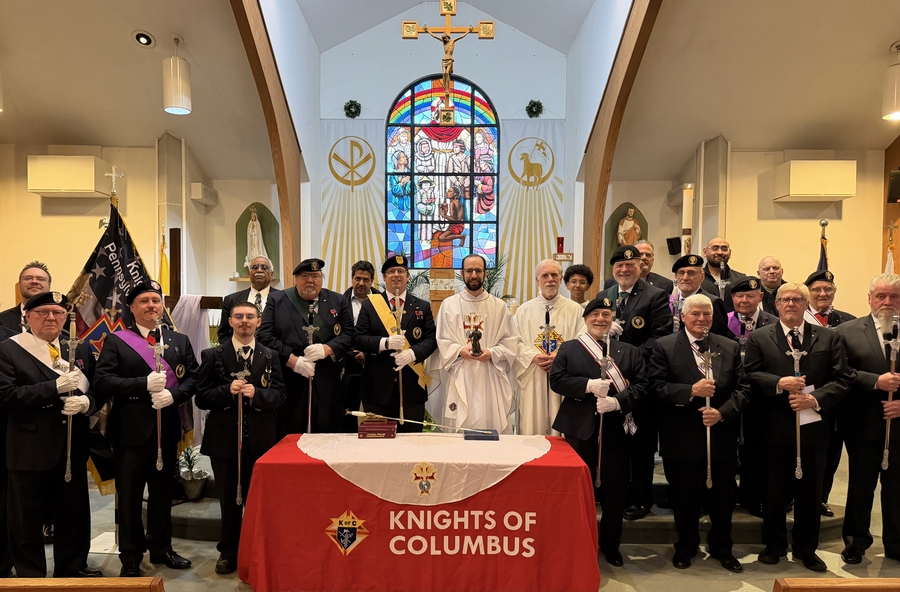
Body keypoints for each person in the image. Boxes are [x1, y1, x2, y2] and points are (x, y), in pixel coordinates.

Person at [93, 280, 199, 577]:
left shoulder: (179, 340)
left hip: (166, 431)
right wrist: (142, 384)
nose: (151, 305)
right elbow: (103, 381)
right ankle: (130, 555)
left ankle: (162, 548)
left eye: (156, 300)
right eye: (144, 301)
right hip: (130, 433)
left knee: (164, 495)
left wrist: (174, 395)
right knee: (129, 497)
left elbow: (192, 378)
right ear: (132, 307)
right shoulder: (116, 340)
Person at [744, 282, 851, 572]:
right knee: (773, 491)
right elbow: (750, 375)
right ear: (775, 304)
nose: (791, 304)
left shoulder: (828, 338)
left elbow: (843, 378)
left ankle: (806, 548)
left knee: (810, 492)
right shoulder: (759, 337)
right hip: (773, 427)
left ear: (806, 304)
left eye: (797, 299)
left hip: (814, 426)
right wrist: (778, 383)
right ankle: (775, 545)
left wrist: (814, 399)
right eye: (785, 299)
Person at [0, 291, 101, 578]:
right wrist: (52, 389)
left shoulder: (77, 349)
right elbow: (5, 396)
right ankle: (30, 573)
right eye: (43, 312)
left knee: (74, 512)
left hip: (71, 446)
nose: (51, 318)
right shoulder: (8, 350)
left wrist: (87, 403)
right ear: (27, 317)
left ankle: (72, 567)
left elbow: (95, 389)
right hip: (29, 447)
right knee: (26, 518)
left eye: (57, 313)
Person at [649, 294, 749, 573]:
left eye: (706, 314)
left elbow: (744, 390)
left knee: (723, 497)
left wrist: (722, 413)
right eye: (695, 314)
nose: (702, 319)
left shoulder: (728, 347)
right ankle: (687, 545)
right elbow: (655, 387)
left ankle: (722, 547)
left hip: (720, 436)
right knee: (684, 497)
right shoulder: (665, 347)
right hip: (681, 437)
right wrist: (690, 391)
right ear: (682, 316)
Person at [550, 296, 647, 567]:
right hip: (579, 429)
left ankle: (611, 545)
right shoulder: (570, 348)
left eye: (606, 314)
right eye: (595, 314)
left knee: (615, 492)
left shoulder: (629, 351)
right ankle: (577, 542)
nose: (601, 319)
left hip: (616, 429)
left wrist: (618, 402)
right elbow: (556, 380)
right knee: (579, 490)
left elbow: (643, 386)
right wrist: (588, 385)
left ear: (612, 319)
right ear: (586, 319)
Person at [196, 301, 285, 574]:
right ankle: (229, 552)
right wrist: (226, 391)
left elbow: (280, 395)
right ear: (230, 321)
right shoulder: (213, 355)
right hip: (224, 440)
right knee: (229, 499)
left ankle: (259, 550)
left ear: (258, 322)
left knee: (258, 500)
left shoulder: (270, 355)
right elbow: (201, 397)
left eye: (250, 317)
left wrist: (257, 394)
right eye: (239, 316)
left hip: (260, 439)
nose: (244, 321)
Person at [835, 273, 900, 565]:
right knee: (861, 486)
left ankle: (896, 544)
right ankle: (856, 542)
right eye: (881, 296)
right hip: (862, 423)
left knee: (897, 488)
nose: (887, 302)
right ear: (870, 298)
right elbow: (841, 373)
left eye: (894, 296)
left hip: (899, 423)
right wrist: (876, 381)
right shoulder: (847, 331)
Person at [603, 245, 671, 520]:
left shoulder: (655, 296)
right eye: (619, 265)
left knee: (640, 444)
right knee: (614, 444)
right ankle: (615, 495)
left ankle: (641, 499)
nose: (624, 269)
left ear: (641, 267)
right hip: (610, 381)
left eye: (630, 265)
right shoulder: (605, 294)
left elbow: (660, 337)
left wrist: (628, 361)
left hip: (639, 381)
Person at [259, 258, 353, 435]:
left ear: (321, 278)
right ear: (296, 279)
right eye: (304, 275)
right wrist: (292, 360)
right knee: (291, 440)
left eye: (315, 276)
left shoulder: (337, 300)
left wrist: (328, 348)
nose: (310, 280)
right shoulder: (277, 300)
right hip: (290, 383)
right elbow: (264, 336)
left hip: (328, 386)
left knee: (327, 440)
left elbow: (349, 333)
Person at [427, 254, 519, 433]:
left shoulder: (498, 307)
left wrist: (492, 353)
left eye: (478, 270)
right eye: (469, 271)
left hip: (489, 375)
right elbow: (441, 340)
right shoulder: (449, 305)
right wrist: (460, 350)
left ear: (485, 273)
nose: (474, 275)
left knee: (488, 423)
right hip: (459, 374)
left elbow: (510, 342)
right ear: (462, 273)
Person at [353, 255, 437, 431]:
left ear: (408, 277)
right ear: (384, 277)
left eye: (401, 271)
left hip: (412, 389)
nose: (396, 275)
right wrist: (385, 343)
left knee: (412, 445)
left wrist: (412, 354)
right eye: (391, 271)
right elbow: (358, 338)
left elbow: (431, 339)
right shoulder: (370, 305)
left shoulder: (422, 306)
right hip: (376, 390)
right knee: (378, 446)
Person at [803, 269, 856, 517]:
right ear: (808, 294)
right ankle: (796, 496)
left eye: (828, 289)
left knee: (831, 451)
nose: (823, 294)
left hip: (837, 399)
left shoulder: (849, 321)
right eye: (817, 290)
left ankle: (820, 497)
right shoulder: (797, 319)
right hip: (804, 397)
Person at [726, 276, 779, 518]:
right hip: (730, 393)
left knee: (758, 449)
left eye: (750, 296)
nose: (744, 300)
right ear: (732, 299)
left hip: (762, 396)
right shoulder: (721, 323)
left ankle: (753, 497)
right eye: (739, 296)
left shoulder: (774, 323)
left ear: (761, 297)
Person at [513, 260, 585, 435]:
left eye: (554, 275)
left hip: (562, 374)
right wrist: (533, 356)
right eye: (545, 275)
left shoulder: (575, 310)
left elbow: (583, 338)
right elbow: (513, 341)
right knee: (532, 424)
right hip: (533, 374)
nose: (550, 279)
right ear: (537, 280)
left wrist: (560, 357)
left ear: (561, 280)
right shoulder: (524, 311)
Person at [341, 261, 380, 431]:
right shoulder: (340, 301)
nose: (361, 283)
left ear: (372, 281)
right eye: (357, 278)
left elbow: (384, 333)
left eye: (366, 279)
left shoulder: (382, 302)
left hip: (374, 364)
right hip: (347, 365)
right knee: (348, 413)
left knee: (375, 414)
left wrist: (367, 352)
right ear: (351, 279)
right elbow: (338, 332)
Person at [217, 256, 279, 344]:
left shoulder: (283, 299)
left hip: (273, 354)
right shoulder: (231, 300)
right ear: (249, 273)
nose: (259, 270)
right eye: (255, 267)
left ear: (271, 274)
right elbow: (224, 333)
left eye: (264, 268)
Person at [670, 254, 729, 337]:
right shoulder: (668, 301)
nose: (685, 278)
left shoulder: (713, 302)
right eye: (681, 273)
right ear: (676, 277)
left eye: (691, 273)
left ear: (702, 276)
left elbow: (717, 338)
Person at [603, 240, 674, 296]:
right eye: (640, 254)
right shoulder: (610, 284)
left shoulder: (665, 284)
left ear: (653, 260)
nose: (644, 257)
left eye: (648, 255)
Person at [0, 261, 53, 332]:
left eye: (41, 279)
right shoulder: (2, 320)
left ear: (49, 285)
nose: (34, 282)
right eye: (28, 278)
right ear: (19, 284)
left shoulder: (63, 320)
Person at [700, 237, 746, 303]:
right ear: (705, 252)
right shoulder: (697, 279)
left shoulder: (741, 278)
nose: (720, 252)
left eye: (724, 249)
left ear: (730, 253)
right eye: (715, 248)